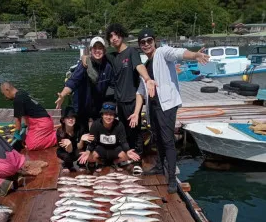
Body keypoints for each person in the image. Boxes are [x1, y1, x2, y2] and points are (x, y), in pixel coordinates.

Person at [129, 28, 209, 193]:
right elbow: (140, 91)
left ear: (155, 41)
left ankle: (171, 178)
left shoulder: (162, 52)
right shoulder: (145, 64)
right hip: (153, 106)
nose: (146, 44)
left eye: (149, 41)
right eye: (142, 42)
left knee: (167, 140)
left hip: (167, 104)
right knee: (157, 138)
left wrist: (194, 55)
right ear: (139, 45)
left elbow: (178, 52)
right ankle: (159, 166)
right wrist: (136, 112)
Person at [103, 23, 157, 174]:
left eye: (116, 35)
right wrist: (84, 58)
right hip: (119, 102)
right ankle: (129, 156)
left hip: (132, 100)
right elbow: (97, 54)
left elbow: (139, 66)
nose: (114, 39)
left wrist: (147, 79)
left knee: (136, 131)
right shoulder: (113, 56)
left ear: (121, 35)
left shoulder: (131, 52)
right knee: (125, 131)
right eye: (111, 37)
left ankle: (138, 159)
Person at [55, 37, 114, 129]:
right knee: (81, 131)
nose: (97, 51)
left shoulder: (108, 67)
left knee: (97, 132)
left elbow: (112, 85)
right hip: (81, 105)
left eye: (100, 48)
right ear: (90, 50)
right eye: (95, 48)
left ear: (104, 50)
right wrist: (63, 94)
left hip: (98, 106)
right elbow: (73, 81)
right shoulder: (84, 64)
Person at [78, 102, 140, 172]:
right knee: (88, 157)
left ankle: (115, 162)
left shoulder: (119, 125)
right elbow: (92, 141)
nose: (108, 117)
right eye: (106, 114)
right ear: (102, 115)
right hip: (101, 148)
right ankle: (101, 163)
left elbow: (123, 141)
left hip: (115, 148)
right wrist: (88, 151)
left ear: (114, 116)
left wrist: (128, 150)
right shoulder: (95, 124)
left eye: (111, 115)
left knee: (128, 156)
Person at [0, 82, 57, 151]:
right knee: (26, 141)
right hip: (43, 121)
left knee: (32, 145)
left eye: (4, 94)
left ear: (7, 90)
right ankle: (48, 134)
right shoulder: (22, 92)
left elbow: (18, 119)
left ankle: (58, 136)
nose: (5, 97)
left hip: (42, 123)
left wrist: (17, 132)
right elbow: (29, 110)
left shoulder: (17, 99)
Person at [56, 106, 93, 173]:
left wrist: (81, 140)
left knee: (82, 151)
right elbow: (69, 151)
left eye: (72, 117)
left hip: (76, 149)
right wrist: (69, 144)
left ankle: (81, 164)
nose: (70, 119)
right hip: (65, 151)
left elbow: (79, 147)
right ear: (63, 120)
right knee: (66, 156)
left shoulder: (80, 128)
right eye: (68, 118)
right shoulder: (60, 132)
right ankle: (68, 165)